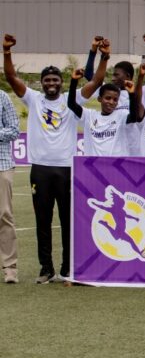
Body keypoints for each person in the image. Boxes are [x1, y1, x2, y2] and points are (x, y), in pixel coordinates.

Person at [3, 34, 98, 283]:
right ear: (42, 83)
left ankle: (67, 269)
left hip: (67, 169)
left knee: (68, 221)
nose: (51, 83)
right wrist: (7, 51)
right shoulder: (33, 99)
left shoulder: (72, 100)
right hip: (40, 170)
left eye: (55, 79)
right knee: (42, 221)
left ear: (62, 82)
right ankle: (46, 269)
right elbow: (11, 77)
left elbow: (97, 81)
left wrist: (101, 55)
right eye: (47, 80)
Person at [68, 63, 142, 156]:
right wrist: (74, 81)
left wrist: (131, 95)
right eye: (108, 98)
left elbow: (134, 117)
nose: (111, 102)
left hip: (116, 164)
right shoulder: (89, 115)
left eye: (115, 100)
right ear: (99, 99)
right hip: (93, 164)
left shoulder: (121, 115)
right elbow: (71, 104)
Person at [0, 85, 19, 283]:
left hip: (2, 164)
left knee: (4, 215)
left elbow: (14, 130)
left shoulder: (2, 97)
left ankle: (10, 267)